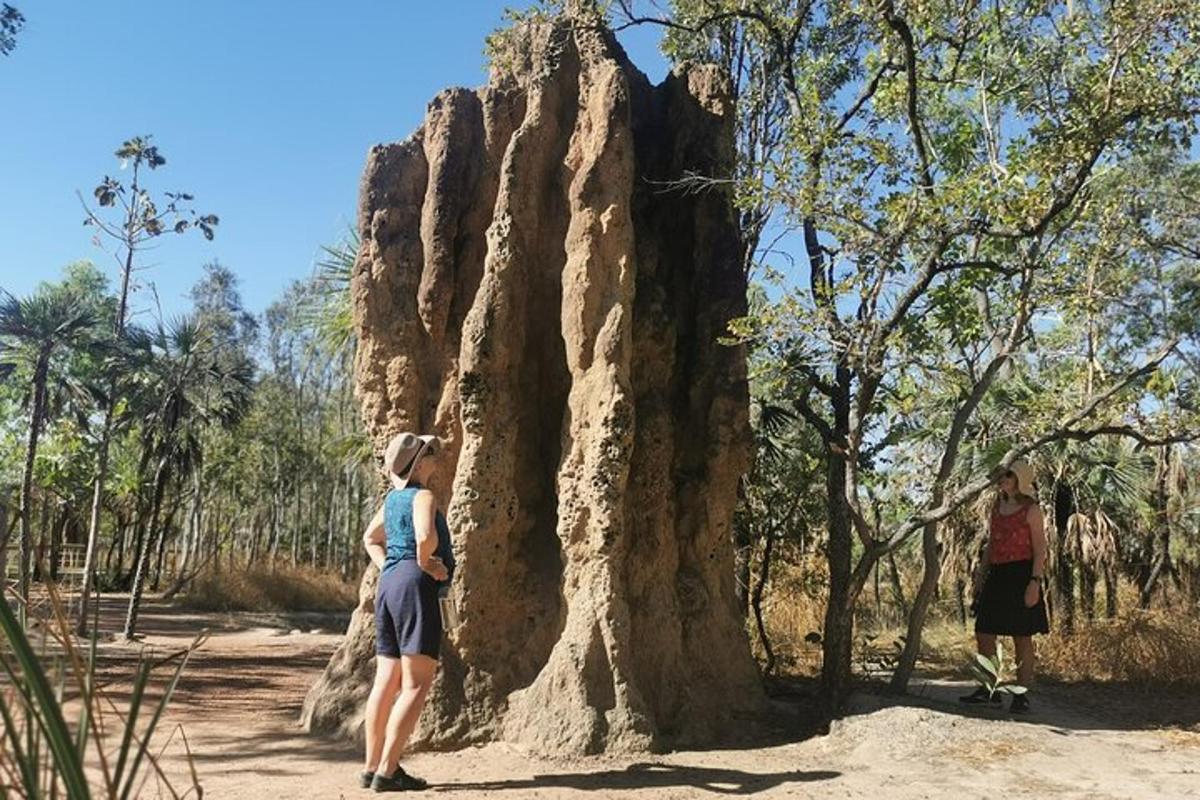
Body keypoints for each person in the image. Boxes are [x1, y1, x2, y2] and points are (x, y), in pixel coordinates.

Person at [359, 431, 455, 792]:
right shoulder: (423, 496)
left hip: (389, 588)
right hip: (415, 587)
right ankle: (388, 770)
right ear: (420, 463)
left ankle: (371, 767)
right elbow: (424, 535)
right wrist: (425, 564)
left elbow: (371, 538)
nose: (437, 457)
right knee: (416, 684)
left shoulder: (392, 499)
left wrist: (391, 567)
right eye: (432, 453)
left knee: (387, 680)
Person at [961, 458, 1049, 714]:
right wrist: (980, 576)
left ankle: (1021, 695)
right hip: (997, 575)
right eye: (1001, 475)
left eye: (1008, 475)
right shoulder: (996, 507)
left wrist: (1034, 582)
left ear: (1019, 479)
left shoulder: (1032, 510)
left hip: (1022, 574)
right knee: (984, 631)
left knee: (1022, 636)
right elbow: (991, 545)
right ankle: (989, 689)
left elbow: (1040, 549)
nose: (1003, 479)